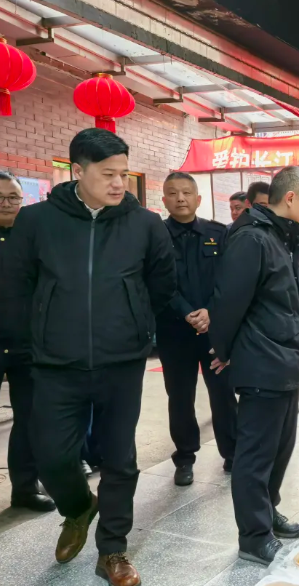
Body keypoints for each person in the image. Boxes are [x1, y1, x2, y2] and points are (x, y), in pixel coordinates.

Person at [7, 129, 177, 586]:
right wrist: (33, 340)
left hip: (121, 362)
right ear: (77, 172)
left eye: (123, 173)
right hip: (54, 364)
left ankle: (113, 551)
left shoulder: (144, 223)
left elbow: (162, 283)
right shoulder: (36, 221)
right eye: (108, 174)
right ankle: (79, 508)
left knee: (119, 458)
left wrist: (135, 322)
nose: (119, 183)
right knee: (51, 456)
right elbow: (16, 289)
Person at [209, 166, 299, 566]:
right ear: (290, 199)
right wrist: (223, 349)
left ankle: (267, 512)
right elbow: (227, 302)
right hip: (262, 362)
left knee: (281, 447)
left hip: (284, 361)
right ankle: (253, 536)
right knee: (255, 454)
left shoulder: (280, 237)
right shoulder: (253, 238)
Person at [158, 172, 237, 486]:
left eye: (187, 192)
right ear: (164, 199)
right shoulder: (156, 235)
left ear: (198, 198)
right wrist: (186, 312)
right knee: (180, 397)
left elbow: (229, 280)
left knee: (223, 393)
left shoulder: (219, 233)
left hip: (213, 331)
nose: (180, 198)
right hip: (174, 332)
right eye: (173, 193)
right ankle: (185, 458)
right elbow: (157, 282)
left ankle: (232, 453)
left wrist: (210, 311)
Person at [0, 172, 56, 513]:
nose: (6, 204)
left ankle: (24, 488)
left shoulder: (34, 238)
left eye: (12, 197)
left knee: (29, 419)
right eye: (0, 198)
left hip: (26, 343)